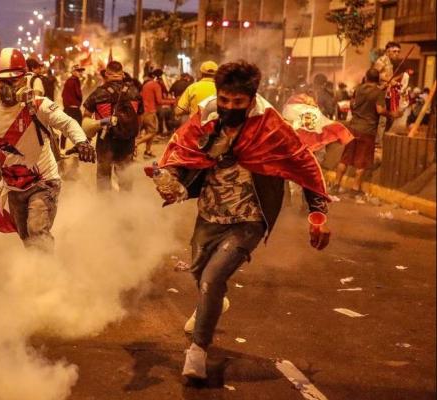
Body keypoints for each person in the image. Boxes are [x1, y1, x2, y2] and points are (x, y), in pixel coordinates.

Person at [153, 61, 331, 380]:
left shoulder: (270, 125)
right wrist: (170, 176)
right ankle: (214, 302)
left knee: (211, 278)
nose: (229, 107)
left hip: (249, 217)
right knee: (199, 274)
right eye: (225, 100)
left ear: (251, 99)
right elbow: (183, 148)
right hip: (210, 212)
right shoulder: (208, 115)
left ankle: (197, 351)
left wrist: (317, 213)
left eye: (238, 102)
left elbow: (304, 164)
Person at [0, 48, 95, 250]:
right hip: (13, 187)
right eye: (2, 81)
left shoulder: (39, 105)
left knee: (37, 232)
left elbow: (68, 124)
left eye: (13, 81)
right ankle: (34, 273)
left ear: (24, 79)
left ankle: (46, 278)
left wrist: (82, 142)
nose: (7, 87)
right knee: (26, 237)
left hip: (44, 182)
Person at [333, 68, 401, 196]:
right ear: (378, 79)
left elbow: (352, 105)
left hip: (353, 128)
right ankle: (355, 189)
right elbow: (380, 110)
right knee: (361, 162)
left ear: (366, 77)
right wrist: (393, 114)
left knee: (345, 158)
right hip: (367, 130)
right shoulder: (378, 92)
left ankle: (336, 185)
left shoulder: (358, 89)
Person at [83, 61, 143, 191]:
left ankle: (105, 206)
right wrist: (135, 137)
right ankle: (125, 205)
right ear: (122, 74)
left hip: (106, 139)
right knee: (125, 175)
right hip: (128, 139)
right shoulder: (134, 91)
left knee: (103, 175)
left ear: (106, 74)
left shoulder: (99, 92)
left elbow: (86, 116)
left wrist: (89, 133)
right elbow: (139, 117)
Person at [137, 69, 175, 158]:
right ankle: (136, 144)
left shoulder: (146, 84)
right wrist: (172, 101)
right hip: (150, 111)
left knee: (149, 131)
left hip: (143, 111)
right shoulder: (156, 85)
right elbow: (159, 100)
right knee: (153, 132)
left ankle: (147, 151)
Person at [61, 65, 85, 149]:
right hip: (73, 108)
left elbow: (63, 94)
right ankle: (78, 148)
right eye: (78, 71)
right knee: (77, 128)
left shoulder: (70, 81)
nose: (80, 73)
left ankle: (62, 148)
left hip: (68, 108)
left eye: (81, 71)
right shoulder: (74, 81)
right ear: (73, 72)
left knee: (65, 128)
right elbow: (78, 94)